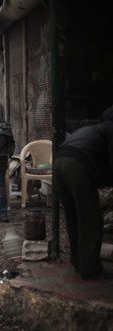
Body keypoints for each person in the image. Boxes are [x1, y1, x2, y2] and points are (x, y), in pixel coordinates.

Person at [54, 105, 113, 279]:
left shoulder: (93, 129)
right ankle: (91, 268)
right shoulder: (110, 129)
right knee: (90, 218)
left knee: (74, 216)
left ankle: (78, 261)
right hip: (76, 166)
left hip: (59, 163)